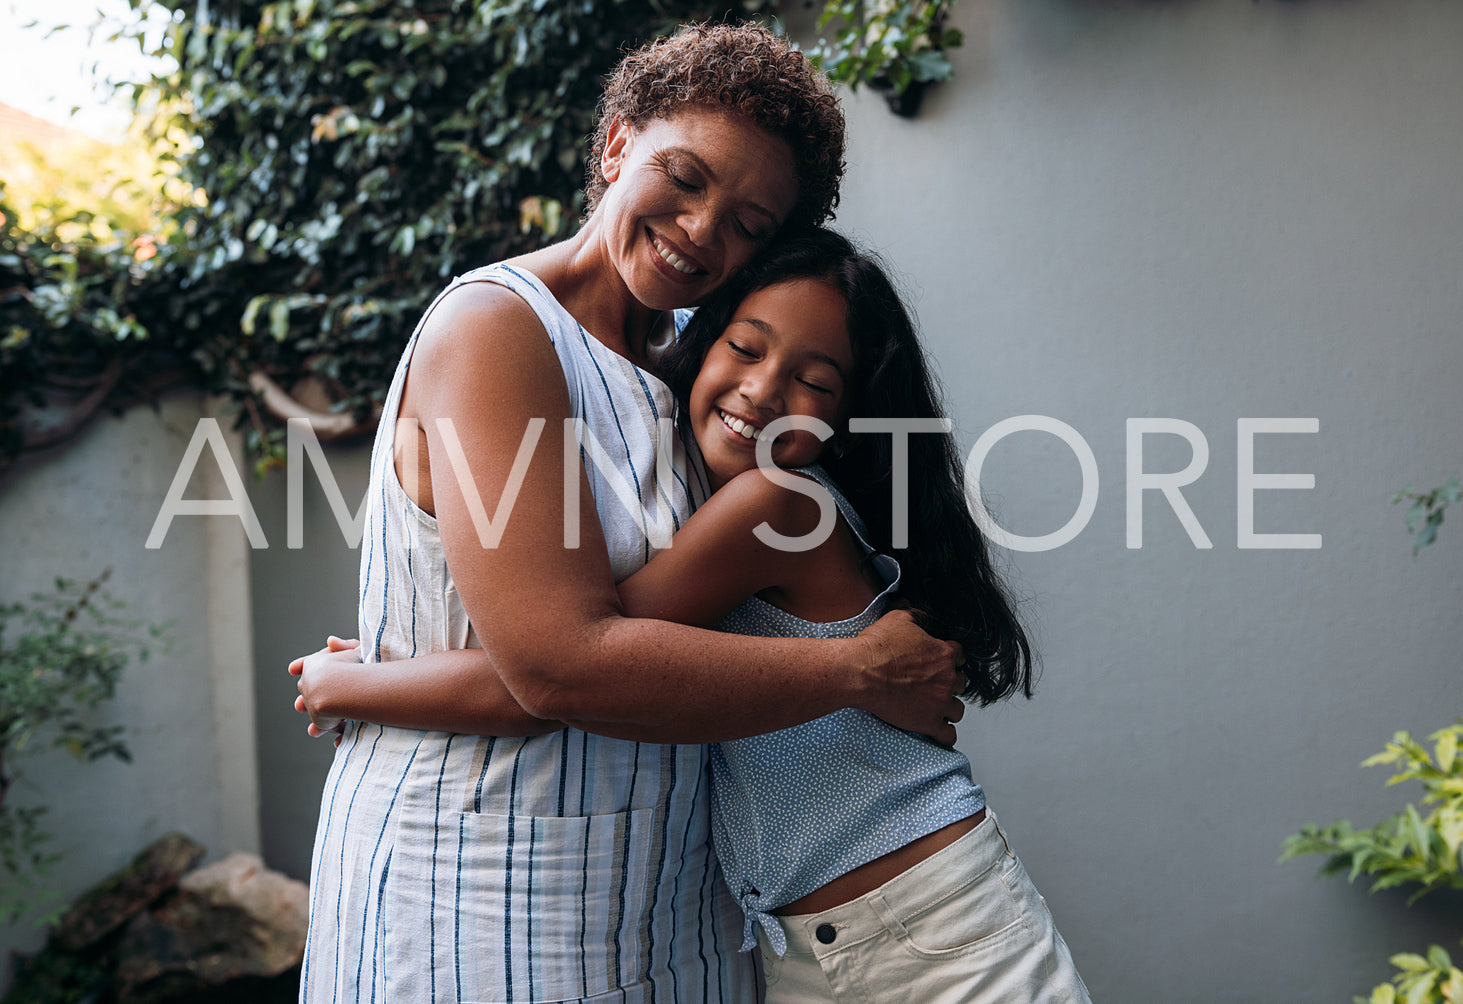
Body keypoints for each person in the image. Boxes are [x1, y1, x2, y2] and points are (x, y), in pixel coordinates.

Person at [292, 22, 966, 1004]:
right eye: (683, 178)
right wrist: (856, 669)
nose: (702, 230)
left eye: (746, 223)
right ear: (615, 146)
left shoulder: (692, 378)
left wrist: (383, 673)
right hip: (482, 893)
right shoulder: (499, 329)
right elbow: (559, 660)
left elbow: (646, 618)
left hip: (668, 908)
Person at [300, 226, 1093, 1001]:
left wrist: (350, 686)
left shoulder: (771, 507)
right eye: (746, 349)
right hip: (820, 941)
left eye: (814, 383)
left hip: (927, 929)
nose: (762, 390)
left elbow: (559, 673)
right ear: (703, 343)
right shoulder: (722, 501)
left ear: (843, 419)